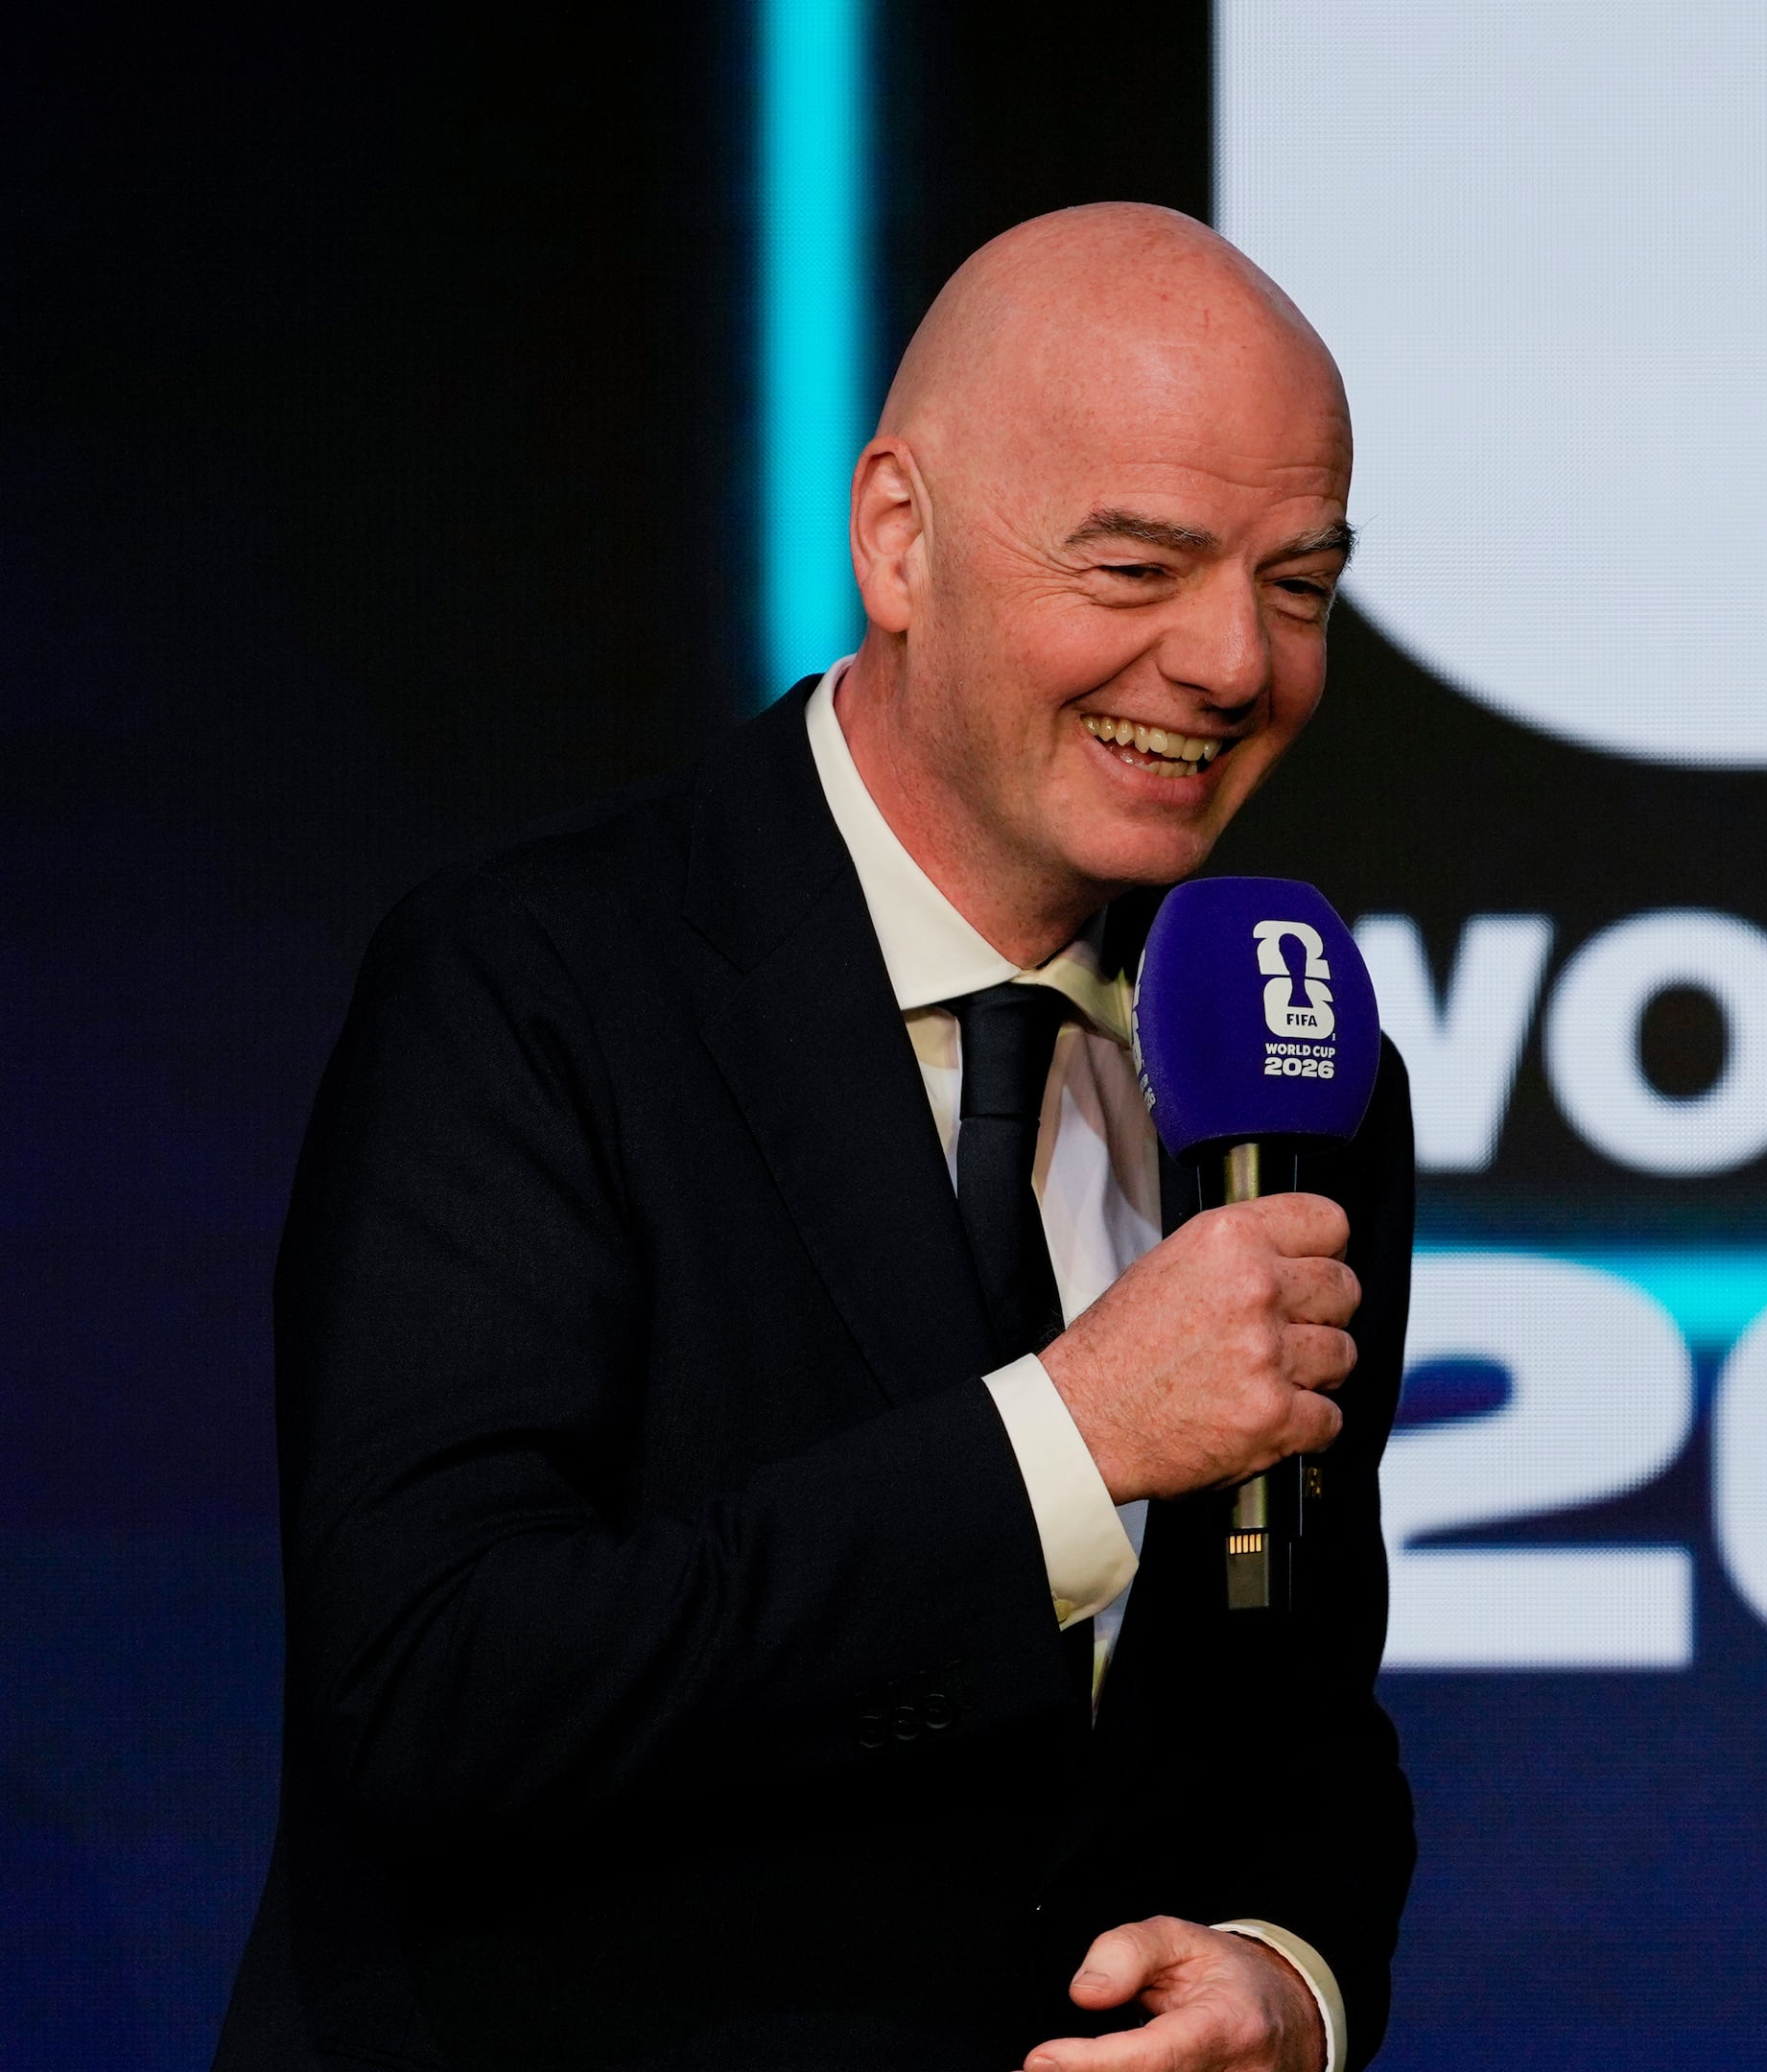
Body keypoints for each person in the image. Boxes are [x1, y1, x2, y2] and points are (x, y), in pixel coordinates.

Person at [214, 204, 1413, 2072]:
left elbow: (1295, 1702)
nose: (1233, 662)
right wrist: (1070, 1440)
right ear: (898, 539)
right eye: (1138, 567)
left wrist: (1289, 1976)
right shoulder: (534, 983)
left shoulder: (1293, 1060)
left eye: (1301, 586)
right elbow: (437, 1686)